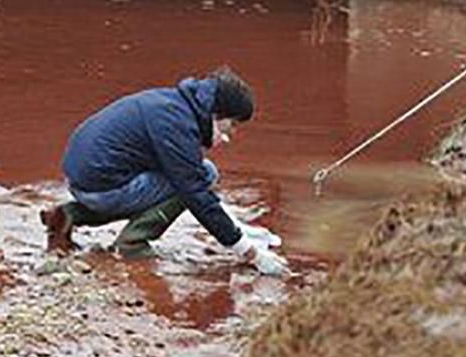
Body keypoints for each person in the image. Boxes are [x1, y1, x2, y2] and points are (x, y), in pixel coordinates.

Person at [40, 67, 286, 275]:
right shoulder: (177, 125)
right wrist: (250, 253)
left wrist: (238, 229)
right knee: (201, 178)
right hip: (102, 190)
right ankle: (133, 242)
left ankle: (69, 214)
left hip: (84, 182)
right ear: (216, 113)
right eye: (230, 125)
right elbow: (197, 195)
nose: (229, 135)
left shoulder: (172, 104)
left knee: (196, 175)